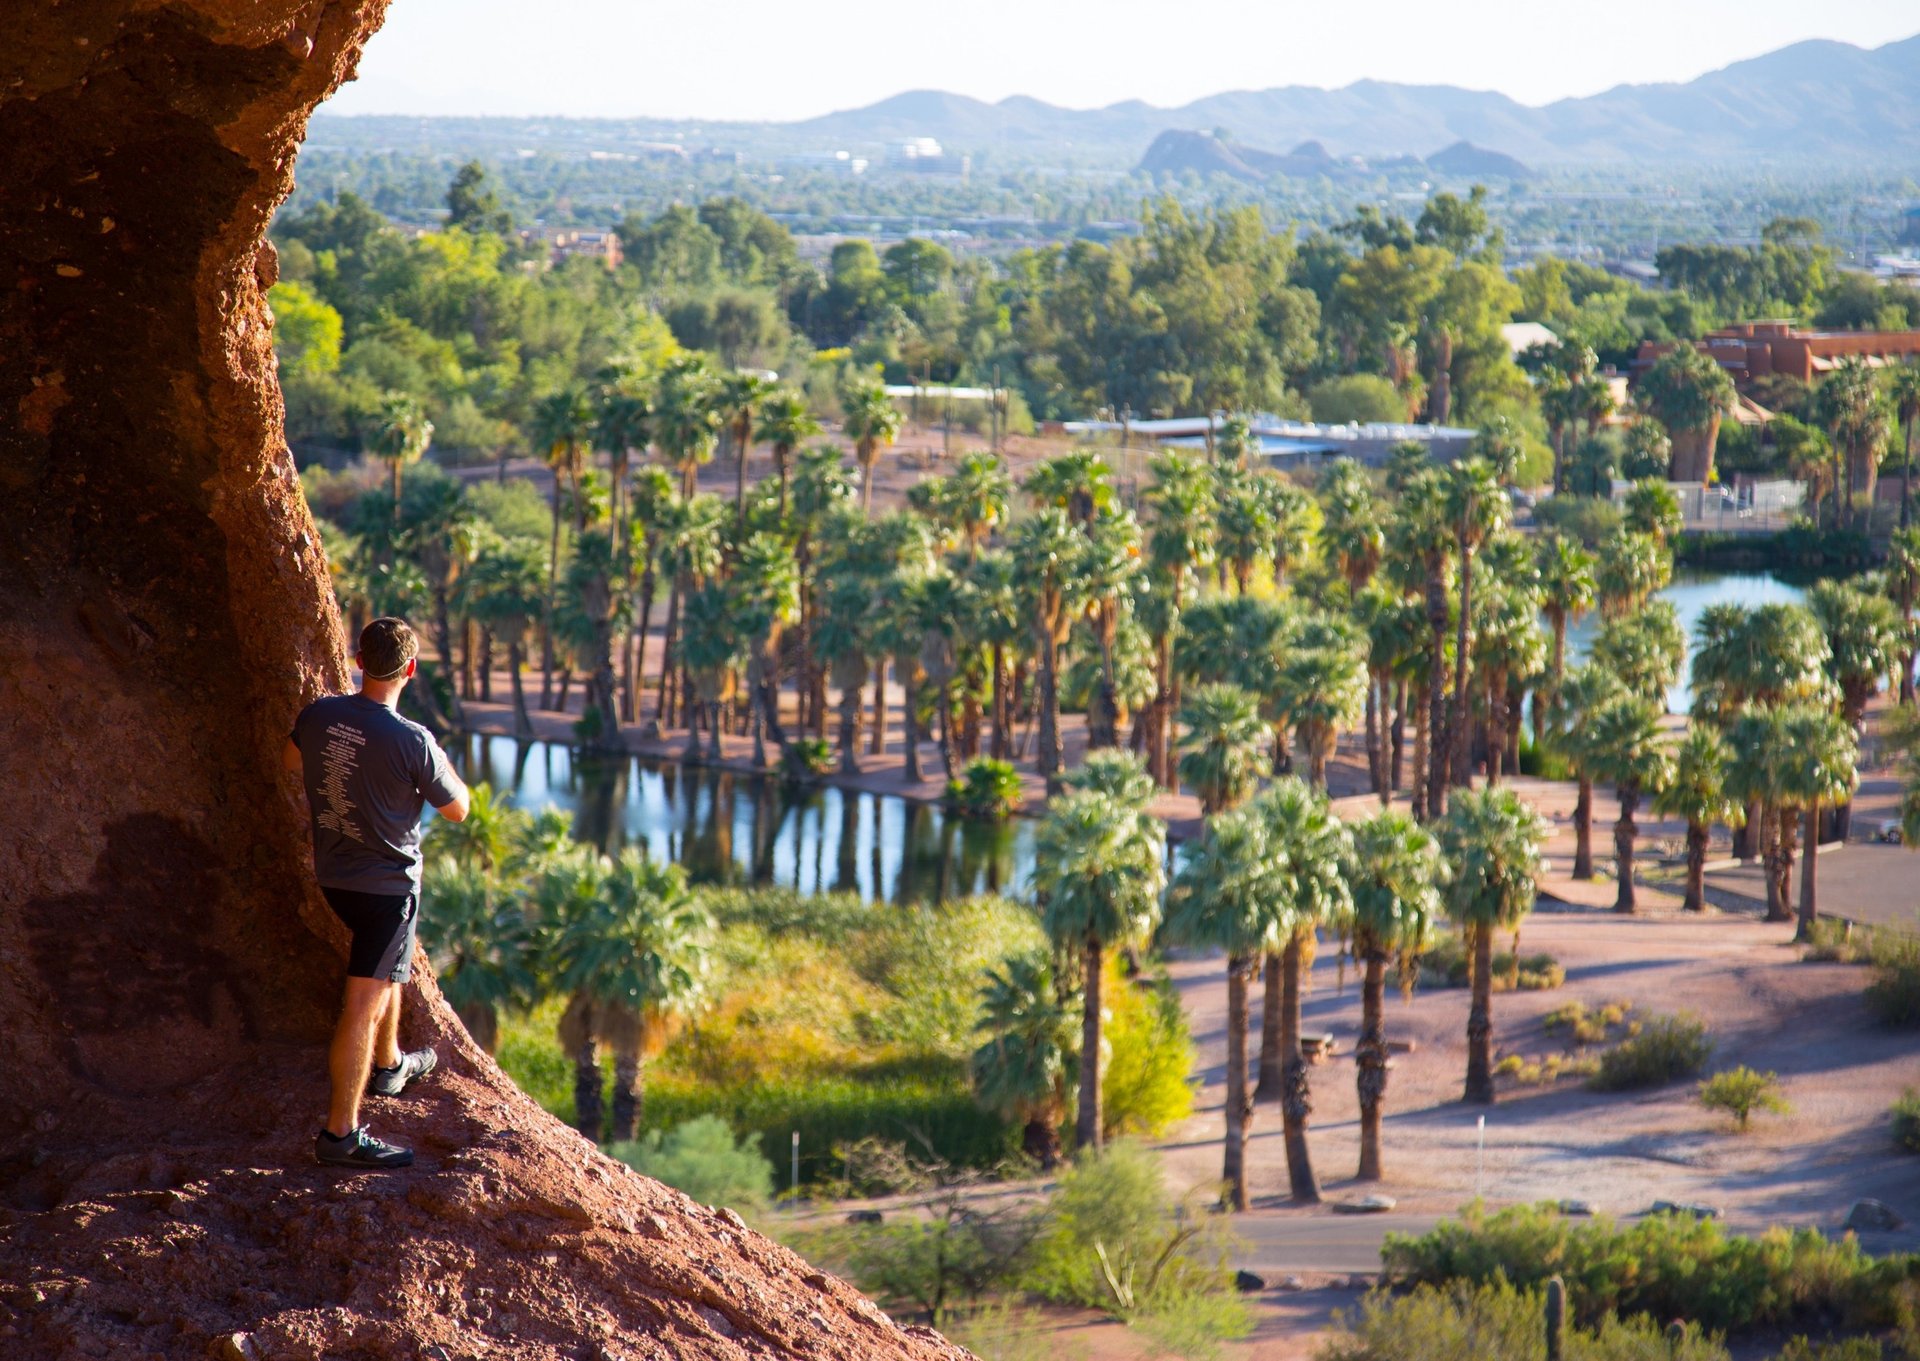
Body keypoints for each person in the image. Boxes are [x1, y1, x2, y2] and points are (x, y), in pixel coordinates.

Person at [284, 617, 470, 1169]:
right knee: (361, 1008)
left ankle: (388, 1066)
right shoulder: (413, 741)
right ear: (409, 670)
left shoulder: (320, 715)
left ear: (358, 660)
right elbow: (458, 811)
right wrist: (437, 762)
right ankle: (341, 1135)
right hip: (387, 890)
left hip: (334, 877)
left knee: (392, 966)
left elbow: (293, 760)